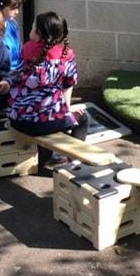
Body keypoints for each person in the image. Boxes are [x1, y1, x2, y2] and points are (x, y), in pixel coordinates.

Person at [7, 11, 89, 168]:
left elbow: (17, 75)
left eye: (32, 28)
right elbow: (68, 84)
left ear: (38, 35)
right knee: (82, 119)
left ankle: (45, 159)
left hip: (18, 119)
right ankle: (72, 158)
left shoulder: (27, 49)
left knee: (50, 116)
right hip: (44, 123)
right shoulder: (66, 55)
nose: (30, 30)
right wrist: (67, 108)